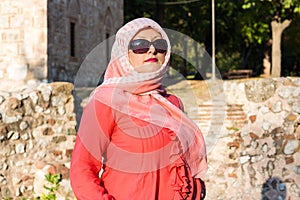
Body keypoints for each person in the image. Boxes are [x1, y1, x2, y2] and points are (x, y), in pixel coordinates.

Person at [70, 17, 207, 200]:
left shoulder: (172, 103)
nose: (152, 50)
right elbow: (82, 171)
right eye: (140, 45)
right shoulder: (106, 101)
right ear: (123, 53)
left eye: (160, 45)